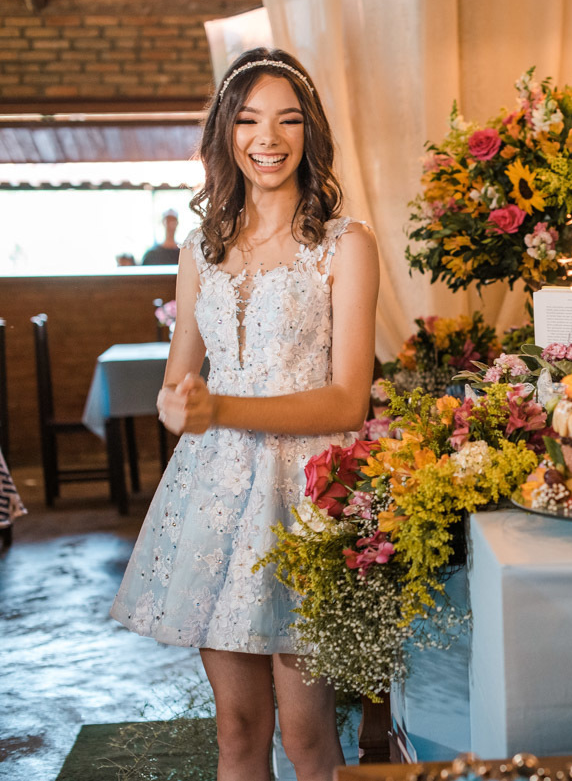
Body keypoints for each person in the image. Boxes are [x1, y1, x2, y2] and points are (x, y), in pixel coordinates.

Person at [110, 48, 379, 781]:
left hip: (306, 497)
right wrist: (180, 405)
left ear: (309, 133)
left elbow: (349, 397)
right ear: (226, 133)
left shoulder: (345, 245)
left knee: (306, 731)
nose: (270, 136)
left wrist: (219, 405)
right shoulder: (202, 249)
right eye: (250, 119)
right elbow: (177, 387)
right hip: (213, 496)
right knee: (236, 727)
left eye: (288, 119)